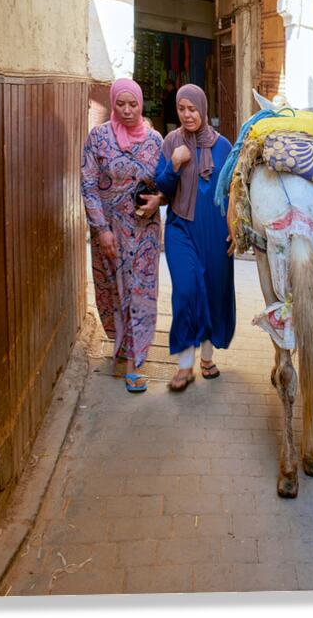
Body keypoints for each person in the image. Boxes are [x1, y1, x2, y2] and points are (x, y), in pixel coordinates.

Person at [81, 79, 164, 392]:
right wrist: (101, 229)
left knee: (139, 291)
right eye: (121, 104)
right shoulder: (98, 138)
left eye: (133, 104)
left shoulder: (155, 140)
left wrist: (160, 199)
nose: (128, 111)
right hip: (109, 229)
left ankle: (134, 361)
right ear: (113, 104)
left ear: (141, 104)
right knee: (112, 290)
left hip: (144, 230)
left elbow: (167, 183)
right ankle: (121, 344)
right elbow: (88, 184)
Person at [155, 83, 235, 391]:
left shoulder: (223, 147)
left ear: (202, 109)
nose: (186, 115)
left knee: (214, 290)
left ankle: (207, 356)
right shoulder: (171, 142)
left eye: (192, 109)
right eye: (181, 109)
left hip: (215, 232)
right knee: (186, 292)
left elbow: (233, 193)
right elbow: (162, 186)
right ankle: (184, 367)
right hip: (180, 229)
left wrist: (235, 230)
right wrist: (174, 164)